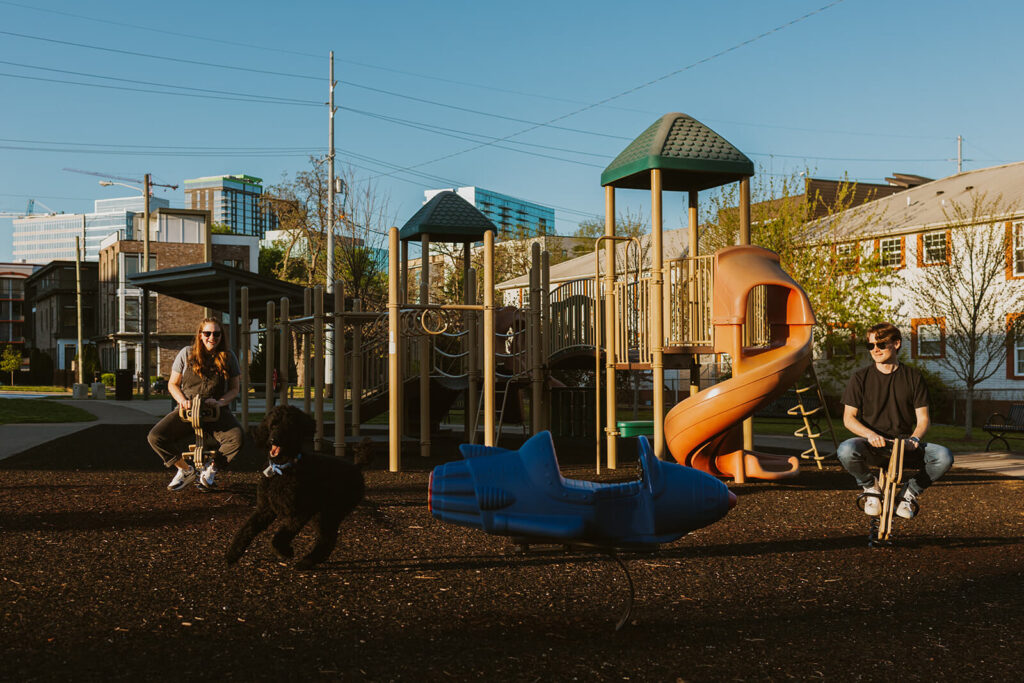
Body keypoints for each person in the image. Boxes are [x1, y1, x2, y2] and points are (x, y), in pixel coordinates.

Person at [837, 322, 953, 519]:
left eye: (881, 344)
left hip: (904, 446)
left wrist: (914, 440)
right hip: (871, 445)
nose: (875, 349)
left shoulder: (914, 377)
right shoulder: (860, 378)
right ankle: (870, 489)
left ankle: (908, 494)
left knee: (943, 456)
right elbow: (848, 419)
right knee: (846, 450)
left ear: (896, 344)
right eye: (871, 345)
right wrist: (870, 435)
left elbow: (923, 419)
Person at [147, 318, 243, 491]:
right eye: (207, 333)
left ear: (221, 336)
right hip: (188, 411)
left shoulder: (228, 357)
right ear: (200, 335)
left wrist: (220, 402)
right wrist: (183, 401)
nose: (211, 337)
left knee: (237, 437)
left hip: (215, 411)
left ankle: (211, 470)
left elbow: (235, 389)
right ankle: (185, 470)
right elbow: (172, 384)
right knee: (156, 437)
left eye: (216, 334)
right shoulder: (186, 353)